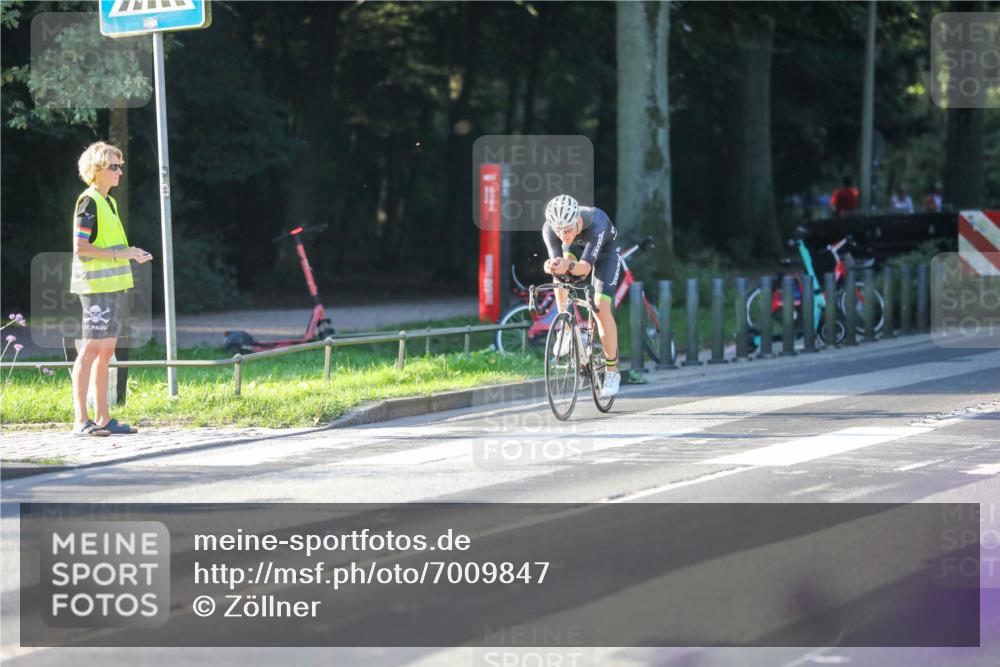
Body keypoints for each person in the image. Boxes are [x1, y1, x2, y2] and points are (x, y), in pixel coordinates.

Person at [70, 141, 152, 436]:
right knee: (90, 351)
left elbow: (109, 245)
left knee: (105, 353)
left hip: (114, 287)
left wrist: (131, 252)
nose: (120, 172)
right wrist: (122, 253)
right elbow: (81, 248)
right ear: (97, 170)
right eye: (114, 167)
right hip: (96, 288)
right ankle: (81, 421)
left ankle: (103, 418)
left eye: (121, 166)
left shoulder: (110, 202)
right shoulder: (88, 201)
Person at [541, 194, 622, 398]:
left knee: (600, 307)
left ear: (577, 220)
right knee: (559, 273)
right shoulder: (550, 230)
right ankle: (567, 329)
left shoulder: (597, 222)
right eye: (559, 230)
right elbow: (558, 263)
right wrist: (552, 265)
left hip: (606, 254)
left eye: (568, 229)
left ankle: (612, 371)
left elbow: (585, 269)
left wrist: (567, 265)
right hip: (576, 250)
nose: (563, 235)